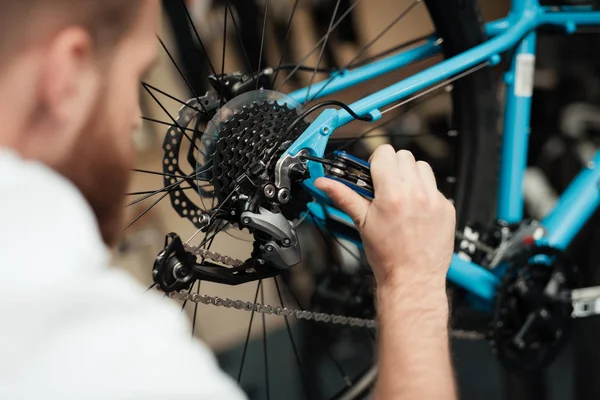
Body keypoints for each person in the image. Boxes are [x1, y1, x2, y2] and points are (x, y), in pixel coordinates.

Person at [0, 0, 457, 399]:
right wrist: (413, 281)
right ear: (67, 75)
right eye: (135, 78)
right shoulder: (99, 349)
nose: (130, 123)